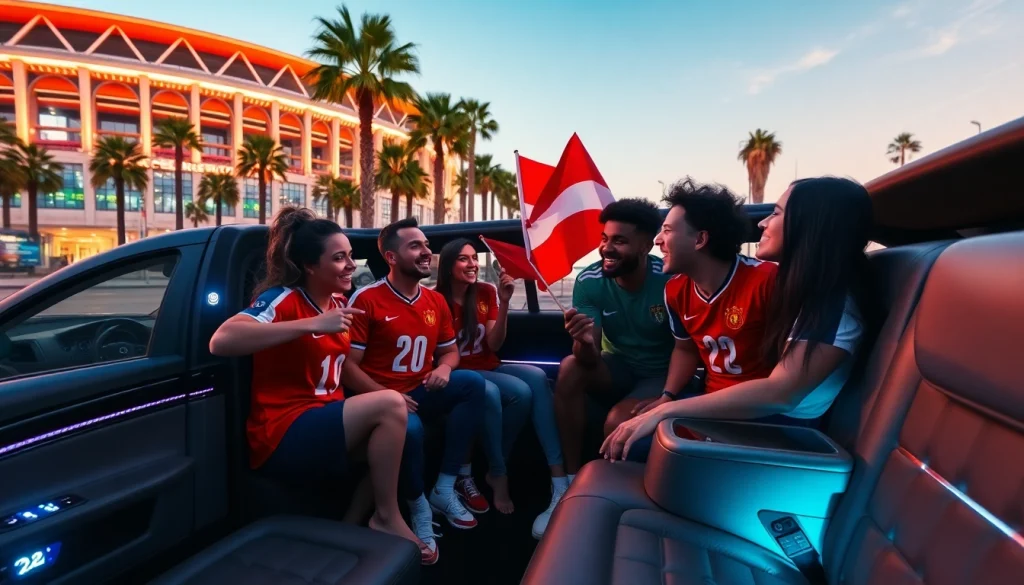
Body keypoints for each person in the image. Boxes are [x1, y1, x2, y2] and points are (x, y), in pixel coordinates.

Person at [207, 207, 429, 562]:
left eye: (351, 256)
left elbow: (343, 367)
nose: (350, 265)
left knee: (398, 433)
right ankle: (387, 516)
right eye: (339, 258)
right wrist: (310, 325)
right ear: (310, 266)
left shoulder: (341, 303)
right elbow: (222, 340)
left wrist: (395, 388)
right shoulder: (284, 299)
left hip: (324, 419)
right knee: (389, 407)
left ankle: (350, 525)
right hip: (282, 432)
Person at [602, 176, 876, 461]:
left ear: (811, 225)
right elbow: (686, 349)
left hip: (785, 430)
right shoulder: (805, 291)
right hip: (755, 416)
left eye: (777, 213)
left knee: (634, 445)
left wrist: (666, 409)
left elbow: (780, 393)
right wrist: (668, 398)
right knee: (624, 430)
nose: (762, 223)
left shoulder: (832, 304)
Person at [601, 178, 778, 461]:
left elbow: (786, 379)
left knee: (653, 450)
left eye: (668, 231)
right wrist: (667, 396)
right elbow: (685, 348)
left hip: (759, 413)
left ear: (700, 240)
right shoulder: (675, 289)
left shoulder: (766, 281)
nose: (658, 240)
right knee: (625, 440)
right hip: (705, 405)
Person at [343, 217, 486, 564]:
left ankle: (445, 485)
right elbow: (348, 366)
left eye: (426, 245)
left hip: (421, 389)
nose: (426, 252)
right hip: (381, 399)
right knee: (413, 429)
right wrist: (388, 399)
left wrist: (444, 367)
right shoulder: (367, 299)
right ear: (391, 258)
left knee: (473, 384)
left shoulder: (434, 302)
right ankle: (417, 505)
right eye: (416, 246)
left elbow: (450, 350)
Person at [544, 198, 674, 537]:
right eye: (604, 238)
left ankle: (613, 506)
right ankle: (568, 486)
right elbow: (590, 359)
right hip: (616, 367)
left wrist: (668, 394)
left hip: (659, 374)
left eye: (619, 240)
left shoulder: (669, 280)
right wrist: (584, 341)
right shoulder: (590, 281)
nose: (606, 248)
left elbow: (687, 349)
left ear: (646, 245)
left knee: (618, 421)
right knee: (571, 365)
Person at [434, 239, 566, 534]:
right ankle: (498, 471)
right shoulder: (435, 300)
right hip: (458, 375)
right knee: (508, 392)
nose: (472, 264)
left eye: (474, 258)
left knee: (535, 378)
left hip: (488, 365)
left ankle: (559, 476)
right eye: (463, 259)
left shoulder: (485, 292)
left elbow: (494, 344)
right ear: (447, 266)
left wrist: (505, 302)